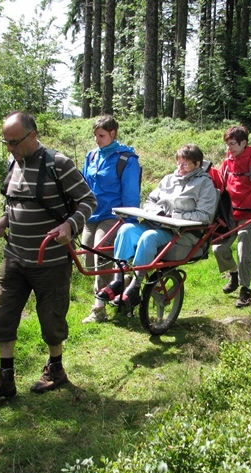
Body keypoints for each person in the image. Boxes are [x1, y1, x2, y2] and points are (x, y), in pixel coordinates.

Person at [0, 111, 97, 401]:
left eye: (14, 142)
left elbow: (88, 201)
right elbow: (14, 201)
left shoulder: (59, 163)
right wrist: (4, 219)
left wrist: (70, 224)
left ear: (32, 136)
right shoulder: (12, 162)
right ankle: (5, 379)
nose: (10, 148)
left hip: (50, 260)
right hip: (15, 256)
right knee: (2, 316)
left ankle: (56, 369)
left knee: (51, 319)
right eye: (6, 142)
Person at [95, 144, 217, 308]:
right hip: (155, 223)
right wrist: (157, 212)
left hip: (179, 232)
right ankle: (118, 279)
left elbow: (205, 216)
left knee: (149, 237)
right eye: (178, 163)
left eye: (185, 164)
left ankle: (134, 287)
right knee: (125, 230)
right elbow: (150, 201)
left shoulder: (204, 184)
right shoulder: (168, 179)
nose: (180, 168)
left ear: (197, 164)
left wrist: (174, 216)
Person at [81, 115, 141, 324]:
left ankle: (99, 308)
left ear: (113, 134)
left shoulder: (126, 160)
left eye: (102, 135)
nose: (97, 140)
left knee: (100, 255)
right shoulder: (91, 156)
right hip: (92, 214)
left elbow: (132, 194)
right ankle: (124, 287)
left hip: (114, 215)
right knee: (87, 260)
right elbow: (83, 186)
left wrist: (127, 220)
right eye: (95, 135)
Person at [212, 126, 251, 308]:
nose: (229, 148)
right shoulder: (227, 163)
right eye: (227, 144)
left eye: (232, 144)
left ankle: (245, 290)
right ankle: (233, 273)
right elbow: (220, 185)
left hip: (250, 217)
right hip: (230, 216)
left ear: (243, 143)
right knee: (218, 249)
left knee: (243, 252)